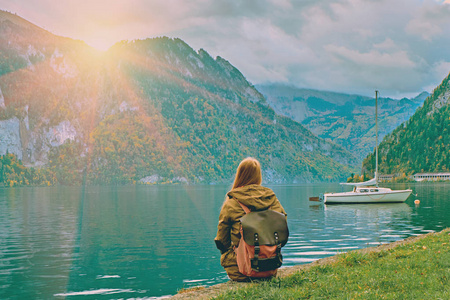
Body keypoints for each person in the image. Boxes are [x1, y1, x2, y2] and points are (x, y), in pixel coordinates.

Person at [214, 157, 287, 281]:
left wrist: (238, 250)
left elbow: (221, 241)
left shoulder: (232, 203)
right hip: (270, 266)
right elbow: (283, 231)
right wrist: (268, 248)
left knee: (226, 253)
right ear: (258, 176)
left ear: (240, 175)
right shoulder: (271, 199)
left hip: (240, 272)